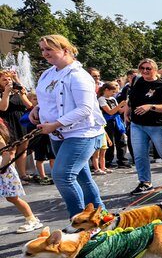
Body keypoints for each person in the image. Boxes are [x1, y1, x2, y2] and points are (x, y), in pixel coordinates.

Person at [31, 34, 106, 217]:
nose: (44, 53)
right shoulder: (47, 74)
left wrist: (55, 124)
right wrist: (37, 109)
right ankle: (100, 216)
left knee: (62, 176)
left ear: (65, 50)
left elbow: (85, 109)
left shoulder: (79, 76)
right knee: (82, 177)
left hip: (82, 133)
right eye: (42, 49)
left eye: (49, 49)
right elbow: (48, 99)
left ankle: (78, 219)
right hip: (58, 134)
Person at [126, 59, 162, 195]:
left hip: (158, 125)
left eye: (148, 68)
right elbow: (130, 99)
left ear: (155, 70)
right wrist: (126, 112)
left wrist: (150, 106)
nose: (145, 71)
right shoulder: (137, 81)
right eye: (142, 68)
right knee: (139, 154)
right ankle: (145, 182)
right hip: (137, 124)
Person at [0, 117, 42, 232]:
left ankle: (32, 220)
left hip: (4, 172)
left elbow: (6, 155)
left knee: (13, 198)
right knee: (12, 198)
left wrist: (2, 169)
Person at [0, 70, 34, 181]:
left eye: (9, 79)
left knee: (23, 149)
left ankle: (22, 175)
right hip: (7, 123)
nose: (7, 81)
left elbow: (29, 106)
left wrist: (21, 91)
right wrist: (6, 92)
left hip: (21, 122)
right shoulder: (2, 93)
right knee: (11, 150)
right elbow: (3, 108)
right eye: (4, 80)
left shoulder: (17, 92)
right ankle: (10, 176)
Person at [97, 81, 128, 169]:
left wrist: (126, 105)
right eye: (112, 91)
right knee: (109, 141)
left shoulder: (113, 99)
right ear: (106, 90)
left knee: (121, 140)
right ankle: (108, 161)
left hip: (117, 120)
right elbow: (110, 112)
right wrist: (120, 105)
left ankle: (122, 160)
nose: (114, 93)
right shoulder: (101, 99)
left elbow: (119, 111)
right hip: (108, 121)